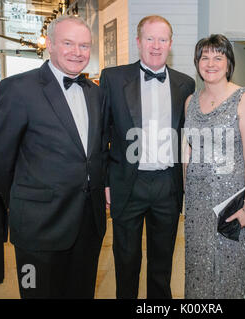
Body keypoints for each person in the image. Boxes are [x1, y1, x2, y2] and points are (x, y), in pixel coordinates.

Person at [0, 15, 107, 299]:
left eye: (84, 45)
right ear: (49, 45)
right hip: (39, 224)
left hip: (89, 222)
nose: (77, 52)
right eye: (68, 43)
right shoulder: (18, 88)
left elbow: (96, 152)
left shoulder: (95, 94)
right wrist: (21, 198)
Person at [100, 15, 195, 299]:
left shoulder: (185, 84)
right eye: (150, 39)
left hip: (167, 184)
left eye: (162, 39)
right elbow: (101, 135)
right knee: (126, 260)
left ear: (170, 44)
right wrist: (106, 180)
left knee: (162, 263)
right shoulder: (113, 78)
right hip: (128, 182)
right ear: (139, 42)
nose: (156, 45)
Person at [182, 34, 245, 298]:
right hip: (196, 208)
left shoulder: (244, 99)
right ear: (197, 62)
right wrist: (186, 193)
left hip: (230, 205)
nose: (211, 63)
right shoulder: (190, 102)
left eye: (219, 57)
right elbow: (188, 151)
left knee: (230, 271)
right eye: (205, 57)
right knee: (198, 271)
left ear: (229, 63)